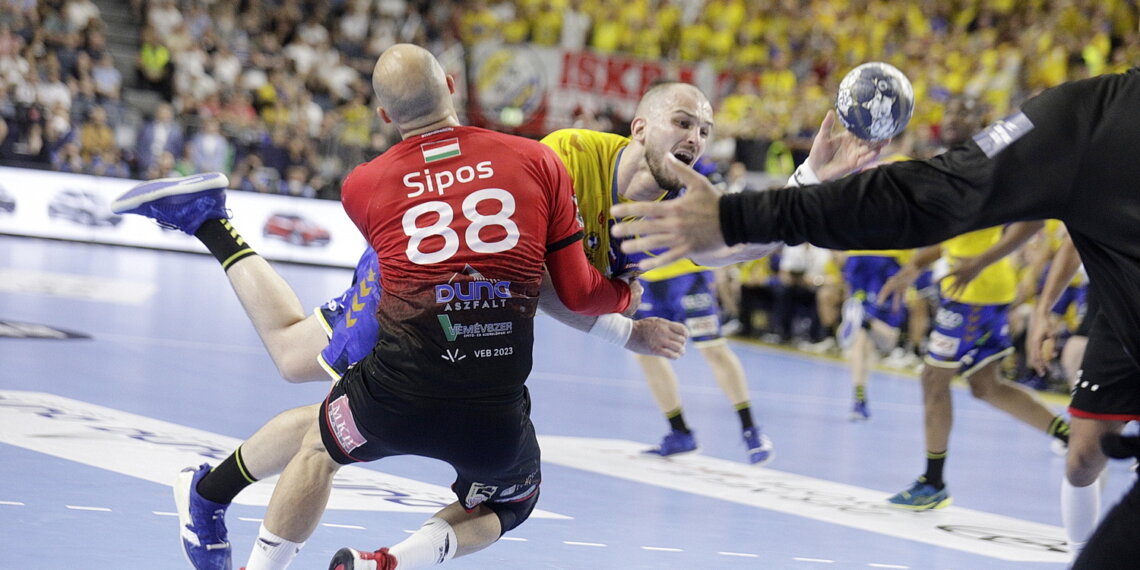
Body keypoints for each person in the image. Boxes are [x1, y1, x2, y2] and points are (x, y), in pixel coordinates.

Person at [610, 68, 1140, 568]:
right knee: (995, 395)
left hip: (972, 289)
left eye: (701, 127)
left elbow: (937, 197)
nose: (695, 137)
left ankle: (925, 474)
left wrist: (752, 207)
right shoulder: (1092, 120)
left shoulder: (1084, 118)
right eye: (684, 123)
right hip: (943, 276)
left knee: (948, 379)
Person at [876, 221, 1070, 510]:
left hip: (974, 293)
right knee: (986, 386)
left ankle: (933, 482)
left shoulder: (987, 178)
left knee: (933, 379)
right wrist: (916, 263)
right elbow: (959, 239)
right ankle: (1071, 436)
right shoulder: (958, 184)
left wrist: (978, 263)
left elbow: (1031, 224)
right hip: (977, 288)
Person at [1026, 229, 1104, 557]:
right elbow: (1075, 239)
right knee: (1081, 460)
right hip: (1113, 322)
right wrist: (1043, 310)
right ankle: (1080, 556)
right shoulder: (1108, 182)